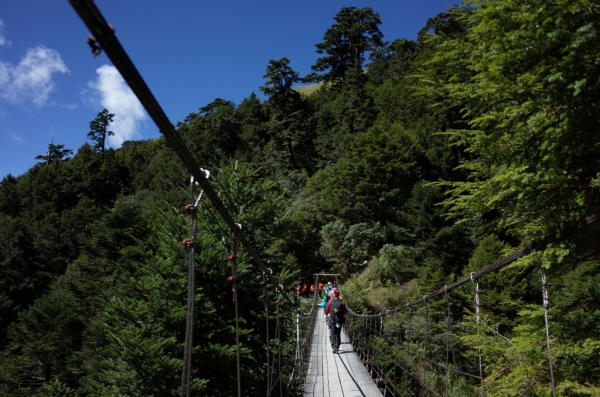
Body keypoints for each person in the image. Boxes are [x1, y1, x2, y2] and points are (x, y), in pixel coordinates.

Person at [324, 289, 347, 353]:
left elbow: (326, 312)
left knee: (333, 332)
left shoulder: (330, 301)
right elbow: (345, 312)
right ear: (338, 295)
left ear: (333, 295)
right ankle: (337, 345)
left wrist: (327, 313)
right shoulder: (342, 302)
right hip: (339, 320)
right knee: (338, 333)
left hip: (332, 319)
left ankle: (333, 345)